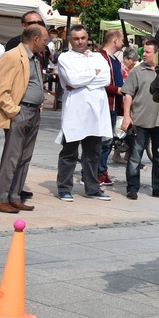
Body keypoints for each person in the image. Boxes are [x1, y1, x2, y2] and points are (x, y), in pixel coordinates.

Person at [0, 25, 48, 213]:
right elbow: (0, 89)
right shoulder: (12, 56)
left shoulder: (34, 59)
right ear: (35, 39)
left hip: (33, 112)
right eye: (45, 39)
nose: (46, 43)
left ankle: (14, 196)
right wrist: (14, 111)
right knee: (12, 158)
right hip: (20, 112)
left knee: (24, 157)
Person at [55, 25, 112, 202]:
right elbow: (71, 80)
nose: (80, 42)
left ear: (88, 38)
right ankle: (64, 188)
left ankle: (92, 187)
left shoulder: (98, 57)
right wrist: (92, 74)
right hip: (75, 110)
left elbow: (106, 78)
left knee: (92, 153)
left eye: (83, 38)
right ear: (70, 40)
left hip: (95, 113)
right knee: (69, 153)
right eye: (76, 38)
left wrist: (83, 79)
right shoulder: (65, 57)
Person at [121, 39, 159, 200]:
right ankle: (132, 188)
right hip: (139, 121)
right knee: (135, 157)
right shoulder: (136, 71)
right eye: (144, 51)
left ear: (157, 53)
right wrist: (127, 117)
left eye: (147, 52)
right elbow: (128, 95)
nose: (144, 54)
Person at [96, 30, 125, 186]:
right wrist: (118, 90)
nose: (123, 43)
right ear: (115, 40)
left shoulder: (115, 60)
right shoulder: (101, 57)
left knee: (108, 141)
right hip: (105, 104)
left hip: (114, 105)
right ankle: (97, 172)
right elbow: (98, 81)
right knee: (102, 141)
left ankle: (102, 171)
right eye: (121, 40)